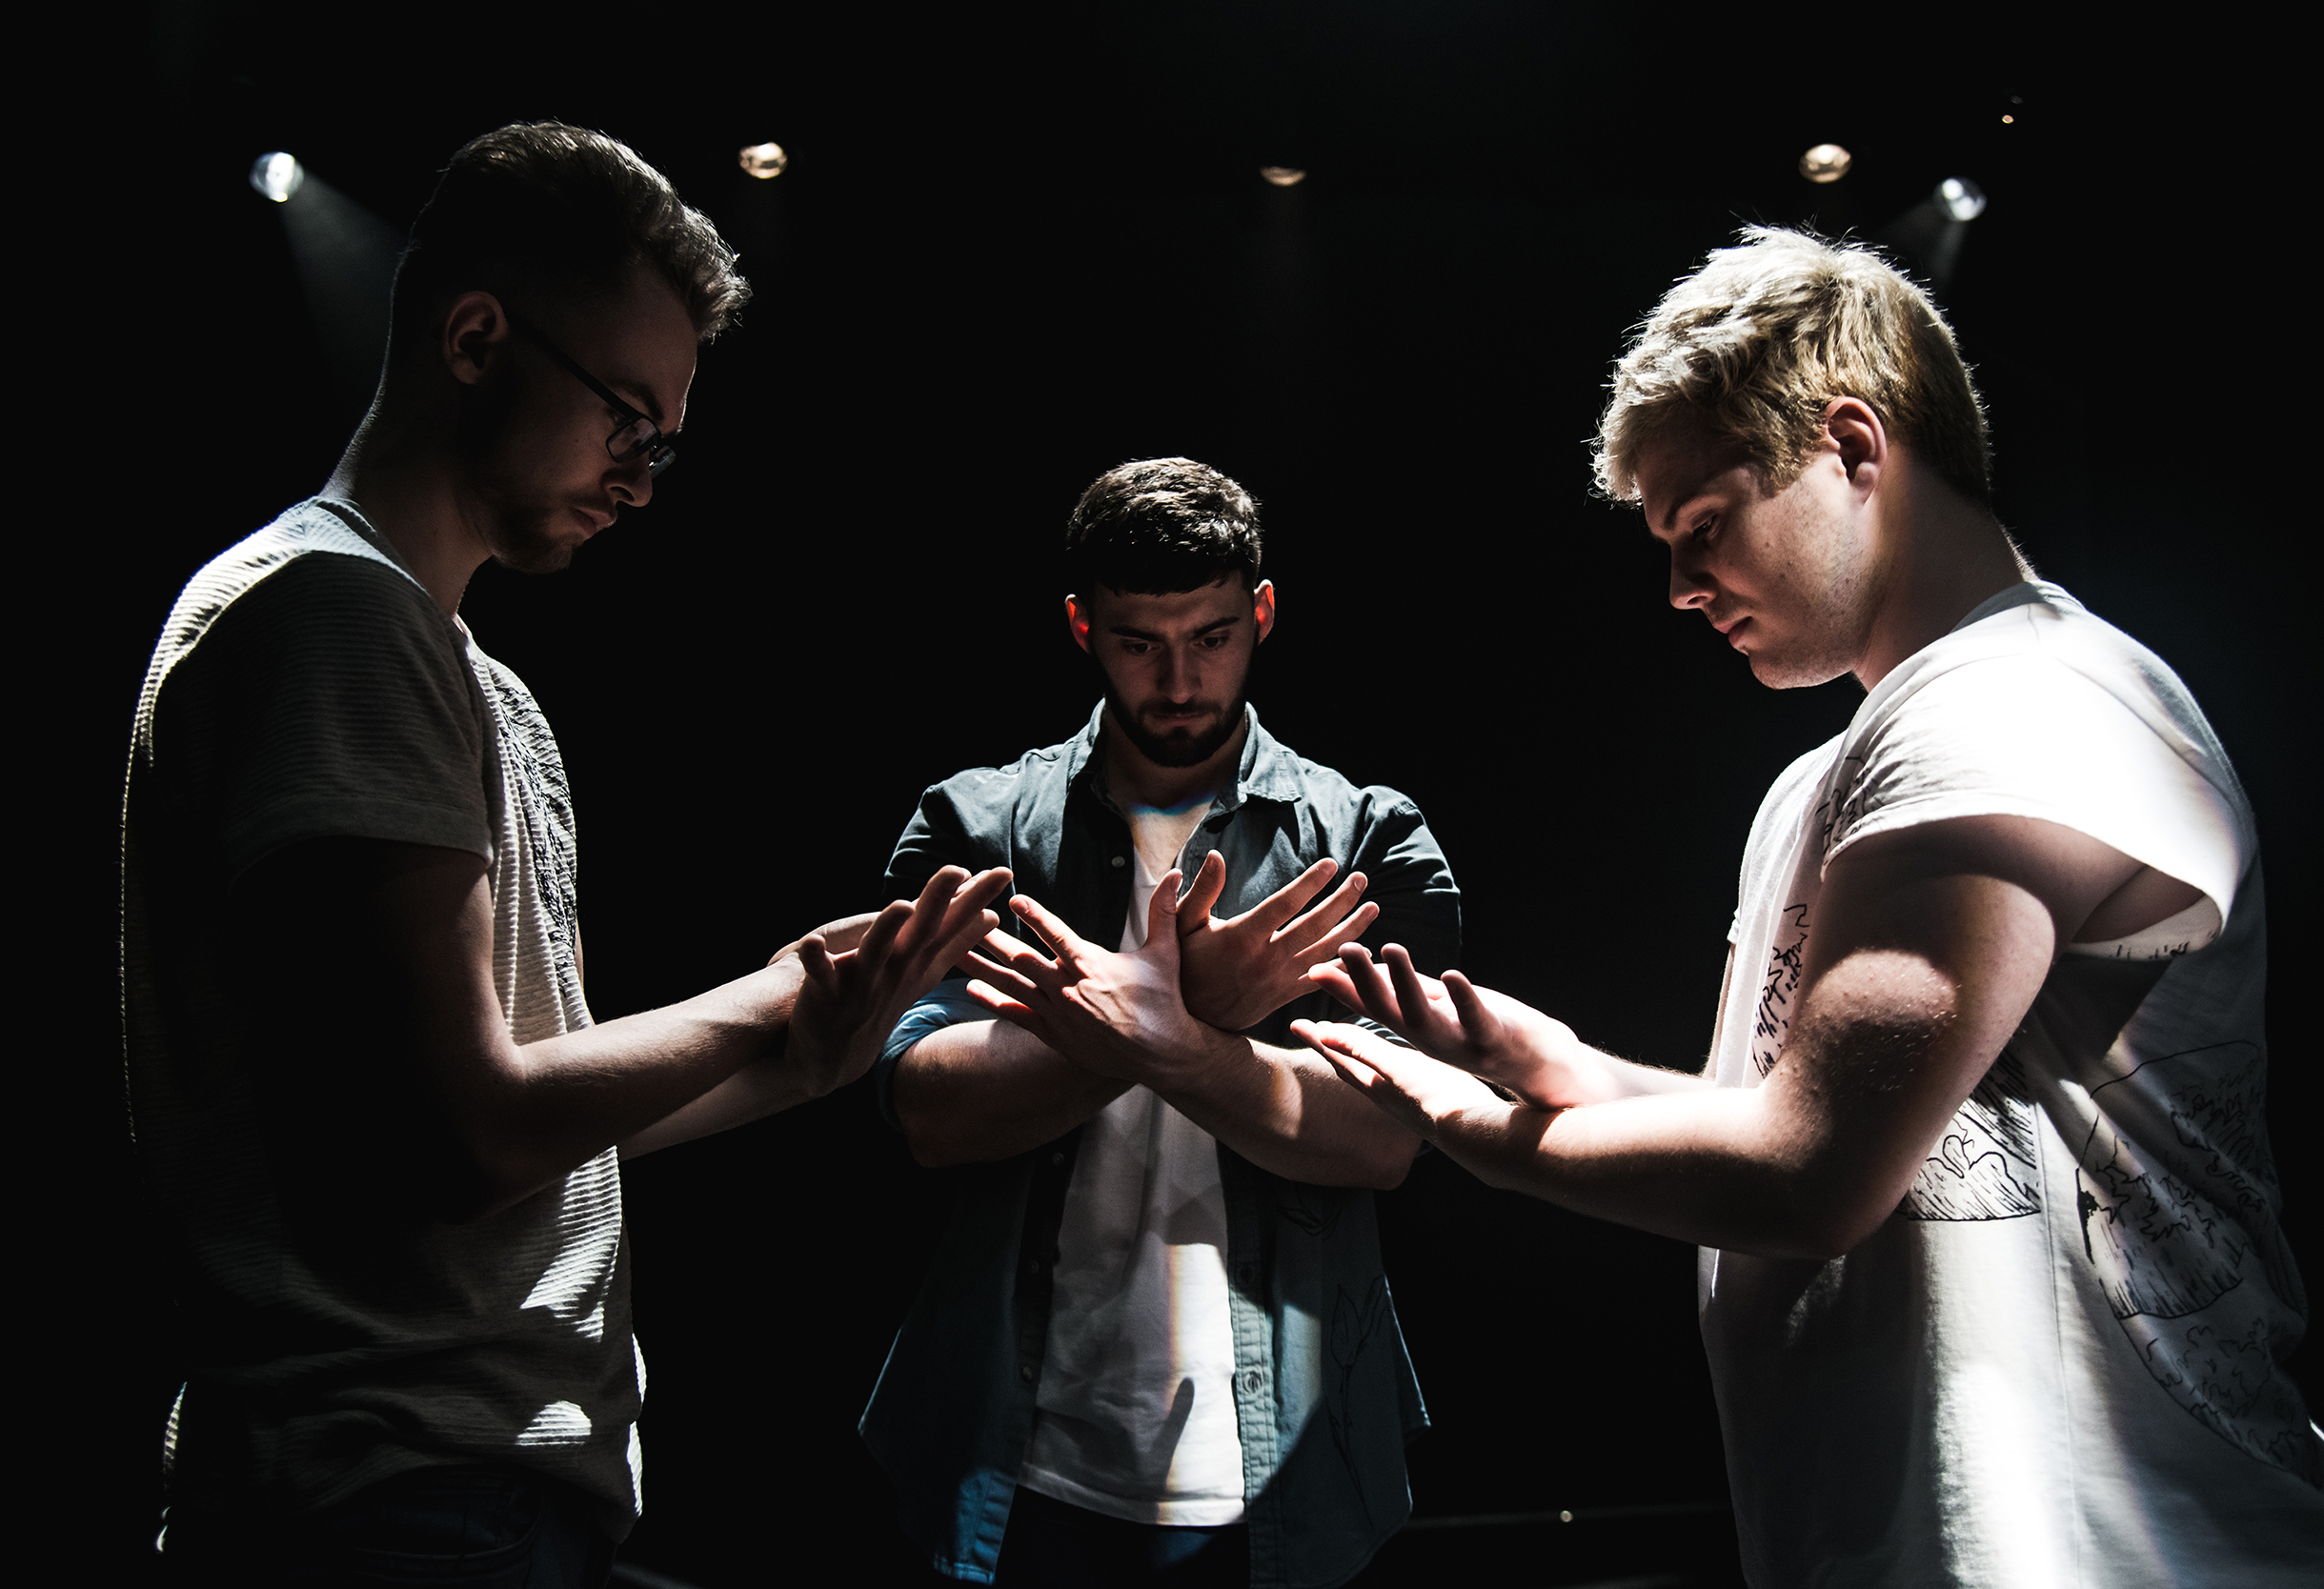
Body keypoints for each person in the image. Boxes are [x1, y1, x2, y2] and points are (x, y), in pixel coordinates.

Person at [1295, 229, 2324, 1586]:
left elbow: (1808, 1176)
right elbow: (1781, 1116)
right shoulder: (1834, 773)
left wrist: (1483, 1131)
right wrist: (1572, 1076)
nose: (1684, 586)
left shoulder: (2020, 704)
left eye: (1706, 527)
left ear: (1855, 447)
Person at [123, 122, 1007, 1585]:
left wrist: (798, 1059)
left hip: (477, 1500)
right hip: (390, 1504)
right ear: (476, 337)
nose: (643, 482)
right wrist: (771, 994)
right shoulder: (333, 618)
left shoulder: (476, 681)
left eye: (665, 444)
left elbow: (538, 1105)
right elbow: (465, 1131)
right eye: (628, 424)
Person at [860, 458, 1461, 1587]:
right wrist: (1190, 1018)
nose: (1180, 680)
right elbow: (929, 1108)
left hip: (1284, 1470)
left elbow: (1384, 1141)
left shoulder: (1367, 839)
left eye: (1213, 636)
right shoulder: (974, 827)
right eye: (1140, 642)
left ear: (1263, 613)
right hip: (1017, 1461)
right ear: (1083, 626)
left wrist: (1156, 1031)